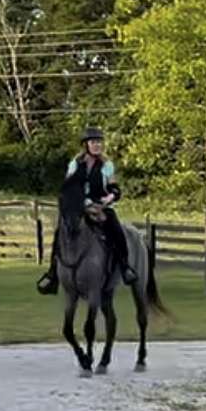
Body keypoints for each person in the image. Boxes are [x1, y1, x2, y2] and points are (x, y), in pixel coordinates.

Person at [36, 126, 138, 294]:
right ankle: (53, 273)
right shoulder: (75, 164)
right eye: (93, 142)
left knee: (116, 229)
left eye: (99, 142)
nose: (97, 145)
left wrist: (110, 197)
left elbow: (114, 187)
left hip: (102, 207)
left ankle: (125, 267)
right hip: (79, 207)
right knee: (60, 233)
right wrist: (83, 202)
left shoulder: (107, 165)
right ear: (86, 145)